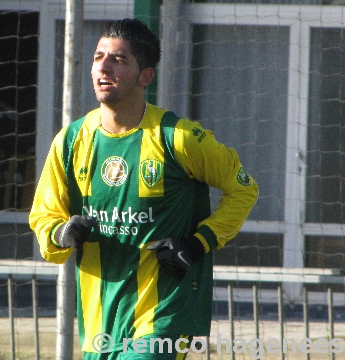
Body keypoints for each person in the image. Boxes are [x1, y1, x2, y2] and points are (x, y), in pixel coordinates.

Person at [30, 18, 258, 359]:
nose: (103, 66)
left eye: (118, 60)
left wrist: (198, 244)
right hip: (98, 322)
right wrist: (62, 233)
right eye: (98, 57)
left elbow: (244, 189)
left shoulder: (178, 137)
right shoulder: (71, 141)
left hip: (164, 315)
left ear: (145, 77)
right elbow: (44, 215)